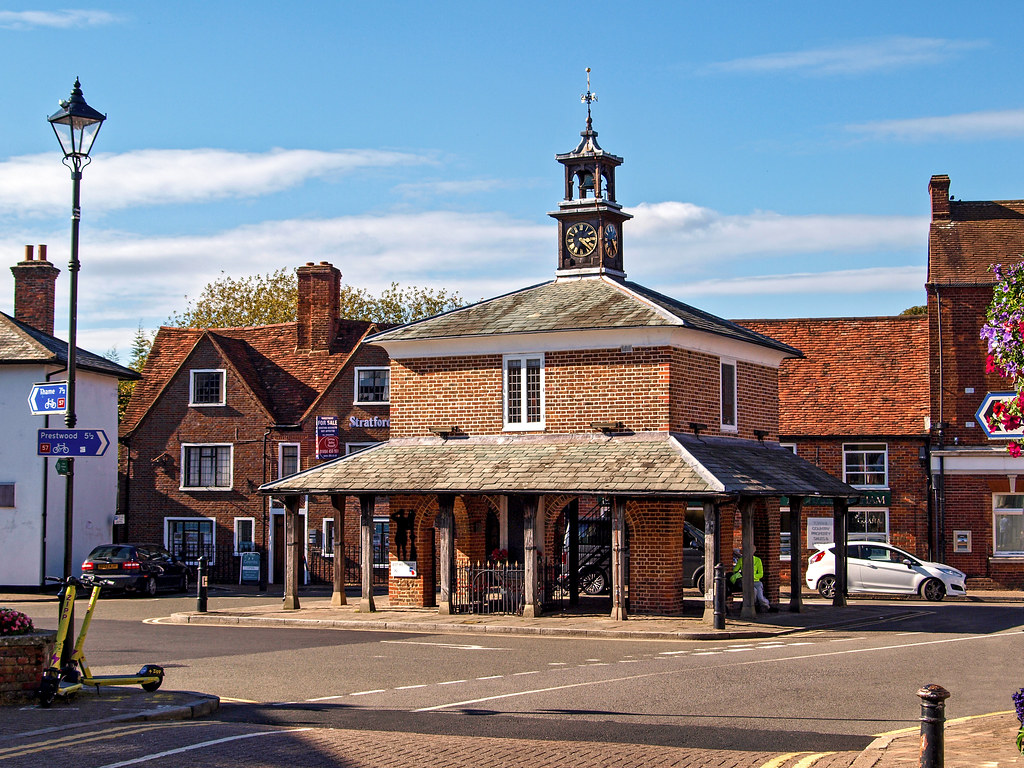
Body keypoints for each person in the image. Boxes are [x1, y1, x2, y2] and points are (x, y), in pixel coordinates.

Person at [730, 546, 771, 612]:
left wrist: (752, 576)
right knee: (753, 592)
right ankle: (752, 606)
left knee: (760, 597)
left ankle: (767, 606)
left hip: (756, 582)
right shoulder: (741, 560)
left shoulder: (757, 560)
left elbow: (761, 574)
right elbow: (735, 570)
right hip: (746, 582)